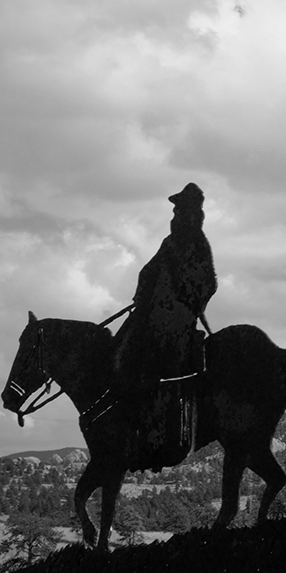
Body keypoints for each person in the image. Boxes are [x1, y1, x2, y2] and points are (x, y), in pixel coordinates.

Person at [112, 184, 216, 463]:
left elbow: (208, 282)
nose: (176, 213)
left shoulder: (197, 244)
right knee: (121, 346)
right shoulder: (170, 243)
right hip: (153, 313)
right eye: (175, 208)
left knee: (155, 363)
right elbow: (149, 270)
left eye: (180, 208)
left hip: (178, 319)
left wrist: (188, 300)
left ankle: (156, 433)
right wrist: (143, 295)